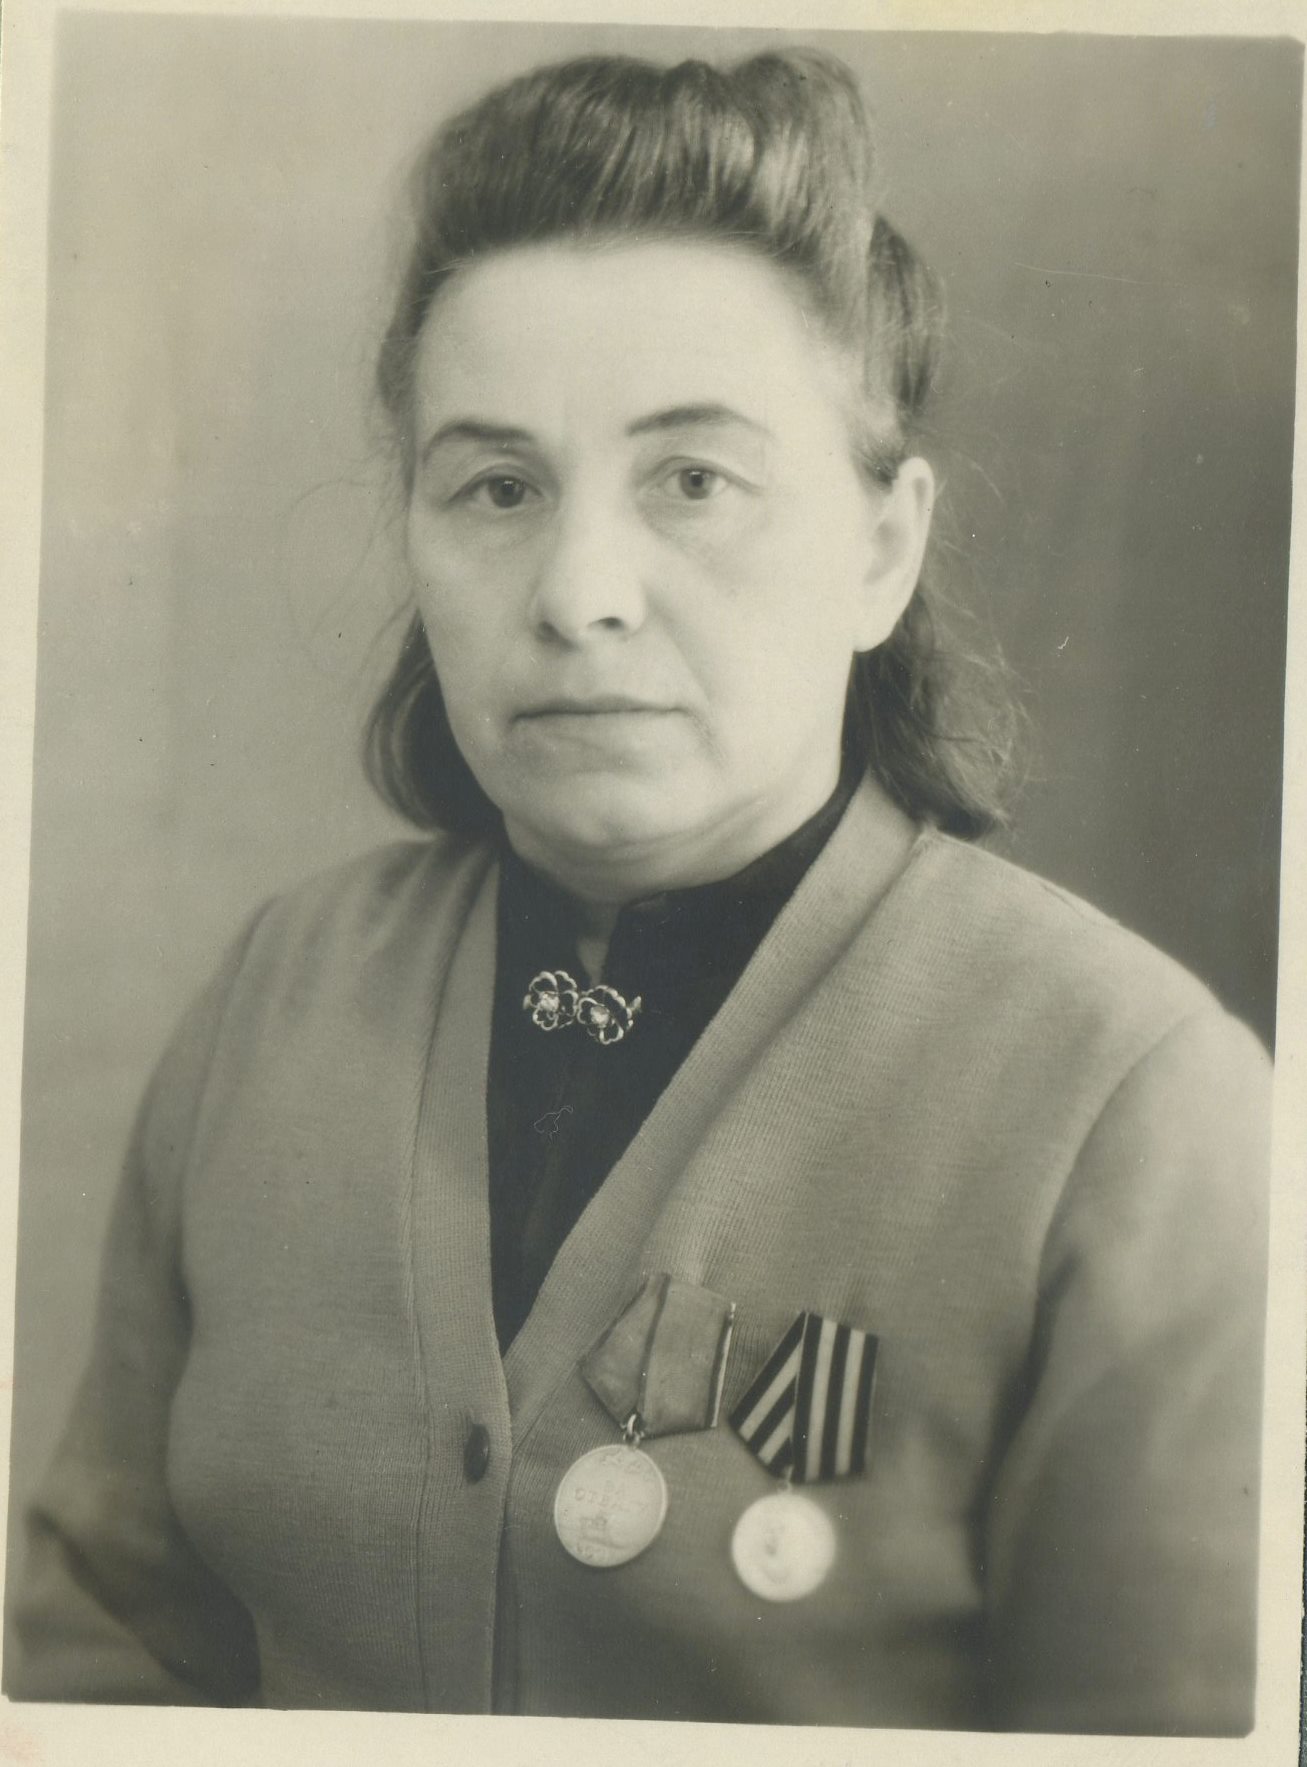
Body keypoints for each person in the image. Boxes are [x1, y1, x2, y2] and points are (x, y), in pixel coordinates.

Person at [9, 48, 1270, 1732]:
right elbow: (92, 1669)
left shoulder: (1136, 1112)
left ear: (882, 550)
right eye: (499, 488)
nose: (579, 590)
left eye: (693, 481)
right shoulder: (276, 1000)